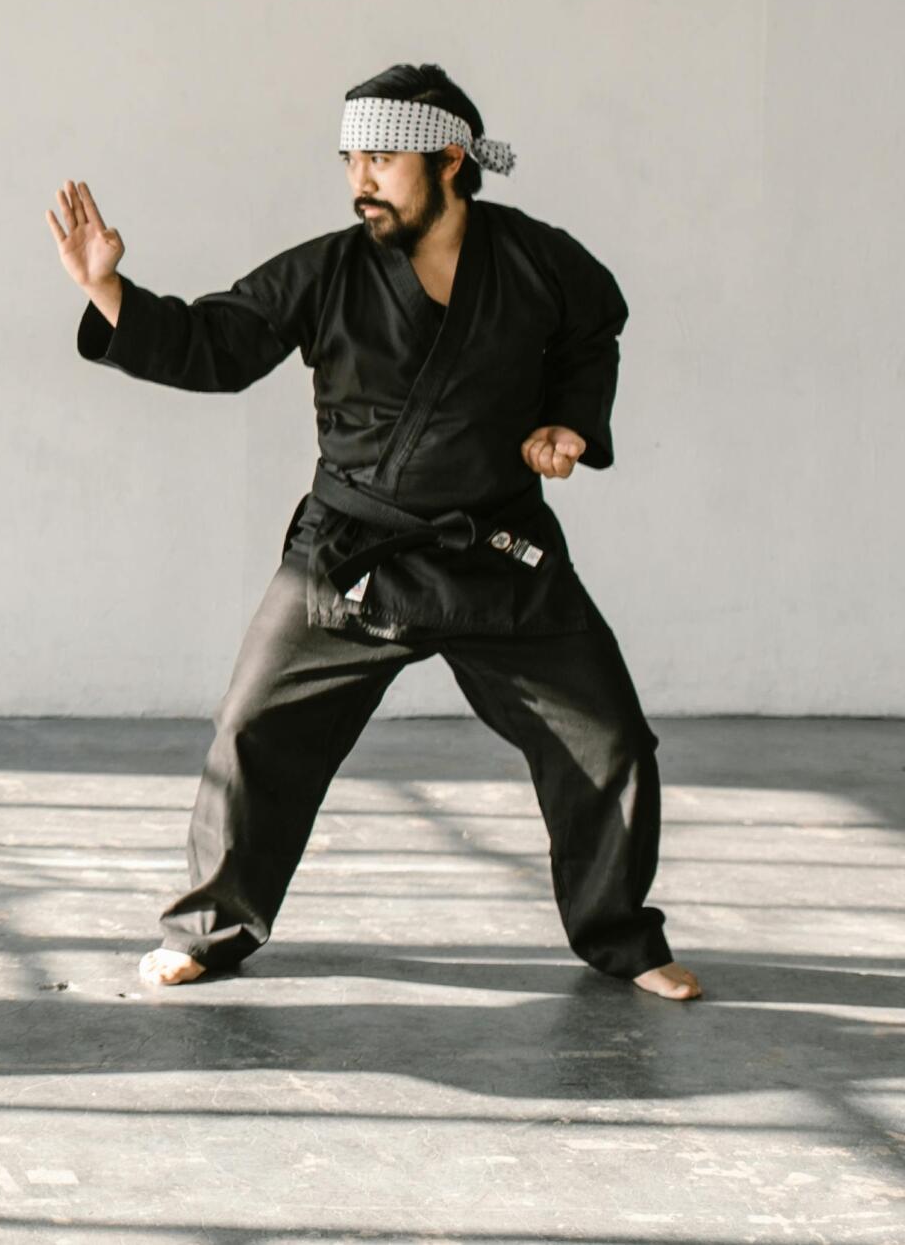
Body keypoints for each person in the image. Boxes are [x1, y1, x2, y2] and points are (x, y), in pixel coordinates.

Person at [46, 64, 700, 1001]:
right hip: (352, 556)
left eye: (382, 160)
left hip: (497, 552)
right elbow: (216, 344)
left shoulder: (540, 260)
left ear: (450, 161)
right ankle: (209, 932)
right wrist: (111, 291)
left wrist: (569, 420)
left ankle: (623, 938)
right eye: (350, 159)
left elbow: (593, 334)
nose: (360, 180)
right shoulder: (330, 269)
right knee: (254, 732)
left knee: (611, 742)